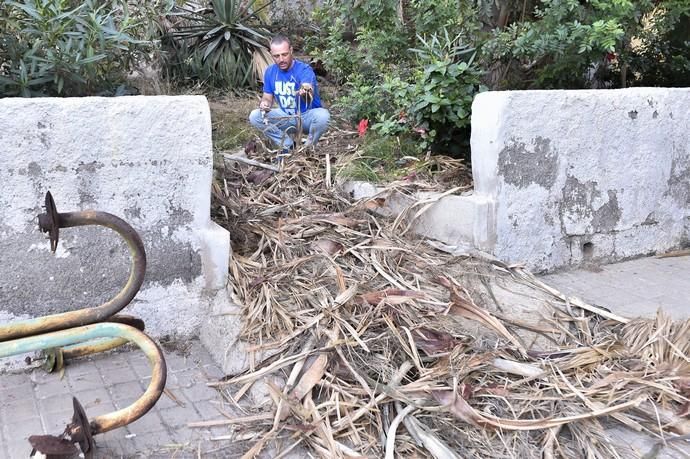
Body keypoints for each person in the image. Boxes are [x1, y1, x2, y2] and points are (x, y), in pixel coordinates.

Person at [249, 35, 330, 153]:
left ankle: (307, 149)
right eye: (276, 56)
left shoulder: (304, 69)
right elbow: (267, 97)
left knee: (323, 116)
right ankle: (288, 144)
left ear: (291, 51)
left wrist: (305, 91)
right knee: (255, 116)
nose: (281, 59)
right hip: (285, 116)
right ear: (271, 54)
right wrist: (264, 104)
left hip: (306, 117)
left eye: (284, 54)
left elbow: (307, 86)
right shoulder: (270, 72)